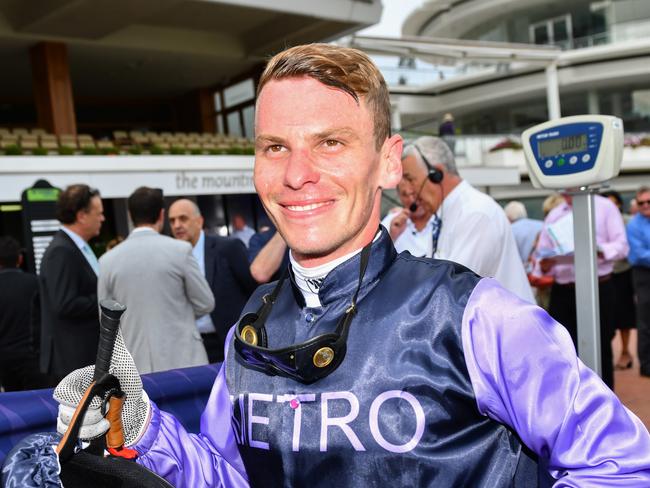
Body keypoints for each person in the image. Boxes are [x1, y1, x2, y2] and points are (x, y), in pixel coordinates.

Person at [55, 44, 650, 487]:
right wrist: (141, 430)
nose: (296, 174)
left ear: (389, 164)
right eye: (275, 147)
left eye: (330, 143)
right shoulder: (247, 336)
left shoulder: (478, 318)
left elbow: (620, 464)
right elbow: (226, 477)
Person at [401, 136, 534, 303]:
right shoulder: (450, 214)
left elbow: (451, 288)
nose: (409, 191)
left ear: (437, 174)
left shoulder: (476, 213)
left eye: (411, 179)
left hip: (504, 326)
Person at [98, 187, 214, 374]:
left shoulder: (107, 261)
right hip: (185, 360)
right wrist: (178, 314)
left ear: (130, 215)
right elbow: (206, 303)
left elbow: (107, 322)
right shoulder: (180, 251)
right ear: (161, 215)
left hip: (133, 368)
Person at [533, 192, 628, 389]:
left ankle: (605, 404)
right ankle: (571, 402)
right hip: (564, 290)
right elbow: (541, 256)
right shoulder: (555, 214)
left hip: (598, 286)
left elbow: (621, 247)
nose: (567, 195)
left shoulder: (605, 207)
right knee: (561, 348)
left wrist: (598, 249)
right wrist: (545, 263)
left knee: (601, 349)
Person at [169, 198, 257, 363]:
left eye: (183, 218)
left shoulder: (228, 248)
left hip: (230, 343)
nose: (177, 225)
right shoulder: (169, 256)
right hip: (189, 347)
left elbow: (252, 290)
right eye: (172, 220)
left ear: (199, 221)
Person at [39, 184, 104, 383]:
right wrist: (104, 301)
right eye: (98, 213)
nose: (102, 218)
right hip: (72, 362)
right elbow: (64, 304)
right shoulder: (61, 251)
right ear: (82, 215)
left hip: (81, 359)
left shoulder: (75, 247)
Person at [0, 237, 44, 391]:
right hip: (33, 359)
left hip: (4, 361)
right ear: (20, 258)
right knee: (40, 407)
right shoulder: (35, 282)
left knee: (14, 409)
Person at [601, 190, 636, 370]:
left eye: (614, 203)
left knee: (624, 314)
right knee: (608, 316)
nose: (611, 206)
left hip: (622, 272)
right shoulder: (597, 220)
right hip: (604, 275)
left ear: (620, 205)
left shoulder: (626, 222)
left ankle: (625, 351)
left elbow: (628, 247)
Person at [627, 186, 650, 377]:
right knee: (645, 320)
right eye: (641, 202)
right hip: (644, 274)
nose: (645, 205)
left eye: (649, 201)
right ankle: (646, 365)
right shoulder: (634, 225)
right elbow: (638, 254)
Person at [381, 180, 438, 257]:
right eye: (404, 195)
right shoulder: (391, 221)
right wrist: (392, 236)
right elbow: (375, 259)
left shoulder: (441, 217)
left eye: (414, 193)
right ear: (399, 196)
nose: (411, 199)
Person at [503, 200, 543, 267]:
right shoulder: (542, 225)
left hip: (523, 272)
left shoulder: (509, 230)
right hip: (544, 270)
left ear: (508, 217)